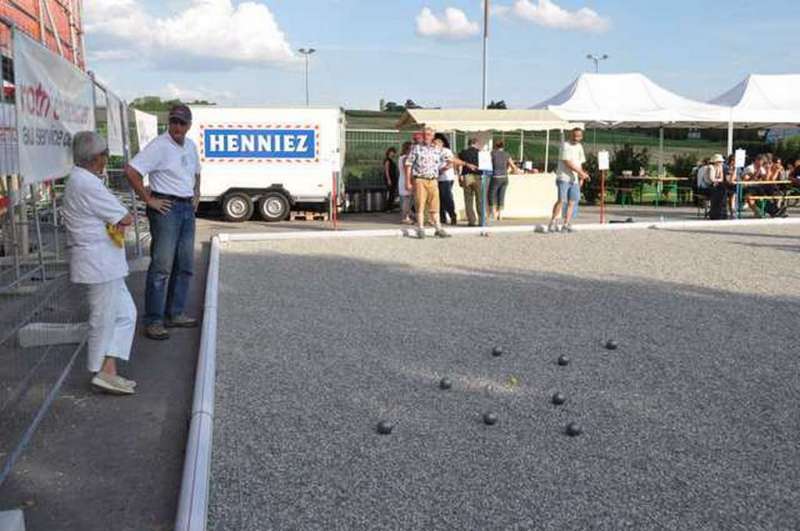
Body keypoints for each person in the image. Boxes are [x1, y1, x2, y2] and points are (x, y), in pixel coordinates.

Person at [61, 132, 137, 395]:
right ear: (96, 159)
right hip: (99, 263)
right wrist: (118, 217)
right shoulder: (87, 183)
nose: (107, 159)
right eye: (105, 154)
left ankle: (107, 371)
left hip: (104, 263)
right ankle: (100, 372)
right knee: (103, 320)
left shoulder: (82, 179)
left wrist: (115, 218)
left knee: (126, 315)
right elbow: (125, 217)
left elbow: (118, 217)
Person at [124, 104, 201, 340]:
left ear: (189, 125)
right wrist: (149, 199)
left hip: (186, 207)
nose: (177, 127)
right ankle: (154, 320)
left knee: (185, 265)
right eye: (173, 122)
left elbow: (197, 172)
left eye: (181, 123)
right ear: (169, 123)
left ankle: (175, 313)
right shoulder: (159, 145)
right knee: (162, 267)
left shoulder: (190, 145)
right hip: (165, 208)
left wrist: (197, 194)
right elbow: (131, 170)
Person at [404, 127, 452, 239]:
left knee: (435, 206)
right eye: (425, 134)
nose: (427, 136)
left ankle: (438, 228)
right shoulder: (416, 148)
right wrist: (408, 182)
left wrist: (443, 169)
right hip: (420, 179)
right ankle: (420, 228)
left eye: (429, 134)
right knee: (420, 204)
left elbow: (450, 159)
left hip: (433, 180)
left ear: (433, 136)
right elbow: (408, 165)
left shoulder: (438, 149)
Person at [548, 128, 588, 233]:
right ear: (571, 135)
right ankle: (553, 222)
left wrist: (581, 176)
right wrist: (581, 173)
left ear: (581, 137)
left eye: (578, 136)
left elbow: (580, 163)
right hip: (563, 177)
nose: (576, 138)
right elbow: (567, 162)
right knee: (562, 200)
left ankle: (566, 224)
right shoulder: (565, 145)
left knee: (572, 202)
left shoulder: (579, 147)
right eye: (574, 136)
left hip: (574, 179)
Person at [489, 141, 519, 221]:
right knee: (501, 195)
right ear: (503, 146)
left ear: (495, 146)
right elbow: (513, 166)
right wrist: (511, 171)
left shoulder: (492, 153)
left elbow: (487, 164)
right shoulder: (506, 154)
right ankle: (500, 215)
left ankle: (493, 214)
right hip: (505, 177)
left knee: (492, 194)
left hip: (495, 176)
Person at [458, 138, 484, 226]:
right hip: (477, 176)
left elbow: (458, 164)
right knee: (479, 198)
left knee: (468, 199)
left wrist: (459, 175)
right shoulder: (481, 153)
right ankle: (481, 221)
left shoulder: (463, 152)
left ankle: (471, 221)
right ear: (475, 143)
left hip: (467, 176)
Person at [397, 142, 414, 224]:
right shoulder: (406, 158)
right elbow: (407, 170)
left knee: (406, 200)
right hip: (406, 180)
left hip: (402, 179)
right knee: (407, 200)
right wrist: (411, 180)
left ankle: (407, 216)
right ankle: (405, 217)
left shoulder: (401, 157)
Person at [383, 147, 398, 212]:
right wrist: (389, 179)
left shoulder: (391, 160)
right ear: (389, 152)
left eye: (394, 152)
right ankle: (388, 208)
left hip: (393, 178)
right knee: (390, 193)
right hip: (390, 178)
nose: (393, 154)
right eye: (392, 152)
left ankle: (390, 207)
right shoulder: (387, 160)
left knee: (392, 193)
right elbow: (386, 170)